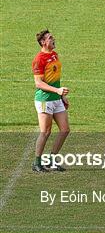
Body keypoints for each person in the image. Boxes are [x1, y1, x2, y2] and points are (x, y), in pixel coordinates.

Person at [31, 29, 70, 172]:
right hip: (45, 100)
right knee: (45, 132)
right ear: (43, 42)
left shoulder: (54, 55)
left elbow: (55, 78)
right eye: (50, 38)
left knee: (65, 130)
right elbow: (38, 83)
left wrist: (61, 95)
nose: (53, 39)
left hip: (56, 98)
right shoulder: (39, 59)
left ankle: (51, 160)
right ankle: (37, 163)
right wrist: (57, 91)